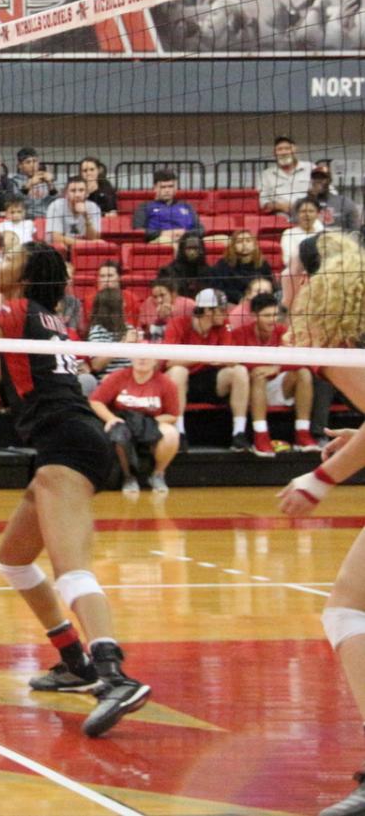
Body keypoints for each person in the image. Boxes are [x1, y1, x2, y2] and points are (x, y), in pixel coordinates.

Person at [0, 242, 149, 735]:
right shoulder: (44, 317)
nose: (0, 259)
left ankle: (113, 672)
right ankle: (73, 660)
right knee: (13, 560)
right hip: (63, 443)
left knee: (70, 571)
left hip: (68, 445)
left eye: (10, 257)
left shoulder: (16, 311)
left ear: (26, 275)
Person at [273, 233, 365, 816]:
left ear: (307, 281)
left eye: (286, 269)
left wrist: (319, 480)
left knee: (347, 610)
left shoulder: (336, 344)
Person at [163, 287, 250, 451]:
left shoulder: (223, 325)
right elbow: (169, 362)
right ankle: (179, 432)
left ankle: (239, 433)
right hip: (183, 383)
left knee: (240, 371)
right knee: (178, 372)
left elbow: (232, 358)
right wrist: (205, 356)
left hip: (210, 379)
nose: (226, 314)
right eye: (222, 310)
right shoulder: (178, 324)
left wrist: (215, 358)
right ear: (208, 311)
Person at [232, 292, 317, 457]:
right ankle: (261, 435)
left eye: (275, 315)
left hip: (279, 386)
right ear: (254, 316)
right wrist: (265, 366)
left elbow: (301, 359)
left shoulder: (282, 331)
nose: (272, 319)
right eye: (266, 315)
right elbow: (235, 362)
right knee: (258, 374)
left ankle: (303, 434)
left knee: (304, 373)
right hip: (252, 390)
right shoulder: (240, 333)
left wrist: (276, 367)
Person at [89, 354, 180, 497]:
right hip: (123, 421)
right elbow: (95, 401)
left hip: (151, 422)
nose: (142, 359)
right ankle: (128, 477)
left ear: (155, 360)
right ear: (131, 358)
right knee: (119, 433)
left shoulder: (166, 383)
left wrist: (148, 424)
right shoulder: (118, 377)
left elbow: (173, 415)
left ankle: (157, 475)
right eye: (138, 356)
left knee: (171, 435)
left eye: (146, 356)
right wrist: (111, 418)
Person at [134, 170, 202, 244]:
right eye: (163, 187)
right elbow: (138, 230)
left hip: (187, 240)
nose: (167, 190)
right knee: (167, 241)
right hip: (161, 240)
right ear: (155, 188)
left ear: (175, 188)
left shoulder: (186, 206)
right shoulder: (145, 207)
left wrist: (185, 234)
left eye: (171, 186)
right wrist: (163, 233)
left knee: (216, 238)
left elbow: (201, 229)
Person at [84, 287, 137, 384]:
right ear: (113, 307)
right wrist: (123, 344)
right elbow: (96, 365)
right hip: (109, 380)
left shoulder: (128, 328)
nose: (125, 305)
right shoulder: (98, 330)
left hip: (132, 378)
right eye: (121, 302)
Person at [210, 229, 274, 304]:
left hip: (260, 301)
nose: (244, 244)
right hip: (232, 302)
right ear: (233, 246)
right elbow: (218, 288)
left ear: (254, 245)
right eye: (239, 242)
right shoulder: (223, 264)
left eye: (248, 241)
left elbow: (270, 284)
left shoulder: (262, 263)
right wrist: (239, 298)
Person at [44, 176, 102, 252]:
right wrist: (88, 243)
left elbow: (95, 238)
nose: (77, 195)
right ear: (66, 193)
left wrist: (86, 217)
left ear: (87, 193)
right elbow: (56, 238)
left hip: (83, 251)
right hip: (58, 251)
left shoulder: (93, 207)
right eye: (73, 191)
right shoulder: (56, 206)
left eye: (81, 190)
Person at [258, 135, 312, 215]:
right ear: (274, 153)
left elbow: (330, 193)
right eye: (279, 149)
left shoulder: (311, 168)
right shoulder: (266, 175)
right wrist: (279, 206)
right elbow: (262, 200)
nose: (284, 152)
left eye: (287, 148)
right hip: (280, 216)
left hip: (309, 213)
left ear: (295, 150)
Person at [306, 161, 362, 233]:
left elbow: (355, 231)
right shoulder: (303, 203)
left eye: (322, 178)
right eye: (315, 178)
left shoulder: (345, 202)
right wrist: (310, 199)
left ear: (330, 180)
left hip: (338, 241)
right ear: (311, 181)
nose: (318, 181)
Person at [157, 230, 213, 299]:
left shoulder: (210, 272)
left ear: (201, 250)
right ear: (182, 250)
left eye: (195, 248)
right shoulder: (169, 271)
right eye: (189, 248)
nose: (192, 252)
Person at [137, 278, 193, 343]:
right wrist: (159, 320)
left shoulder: (188, 305)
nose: (159, 300)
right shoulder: (148, 303)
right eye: (155, 297)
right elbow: (141, 331)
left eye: (162, 295)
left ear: (173, 294)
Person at [282, 195, 326, 271]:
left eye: (311, 211)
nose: (307, 215)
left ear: (317, 214)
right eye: (303, 211)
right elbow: (287, 260)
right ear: (297, 214)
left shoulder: (323, 233)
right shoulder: (289, 233)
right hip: (298, 272)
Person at [10, 147, 57, 218]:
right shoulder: (14, 181)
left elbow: (55, 203)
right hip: (25, 218)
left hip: (47, 217)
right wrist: (29, 185)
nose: (32, 165)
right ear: (20, 165)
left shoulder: (45, 179)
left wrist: (50, 184)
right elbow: (15, 203)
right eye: (28, 162)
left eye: (35, 161)